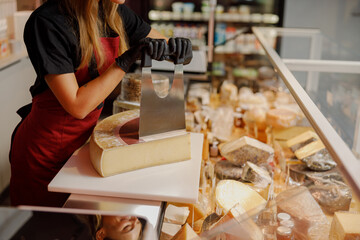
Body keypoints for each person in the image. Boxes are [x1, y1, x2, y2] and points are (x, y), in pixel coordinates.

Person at [9, 0, 192, 207]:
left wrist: (180, 51)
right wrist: (124, 61)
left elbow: (163, 46)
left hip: (83, 146)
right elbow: (77, 105)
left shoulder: (114, 12)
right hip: (43, 154)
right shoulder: (48, 22)